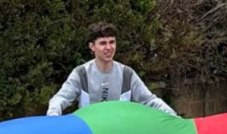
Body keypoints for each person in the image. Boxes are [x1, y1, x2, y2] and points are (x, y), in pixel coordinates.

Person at [46, 23, 176, 116]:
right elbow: (61, 98)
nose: (109, 47)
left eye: (112, 42)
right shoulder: (81, 73)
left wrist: (175, 118)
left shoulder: (127, 73)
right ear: (92, 46)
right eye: (103, 43)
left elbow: (149, 100)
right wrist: (53, 116)